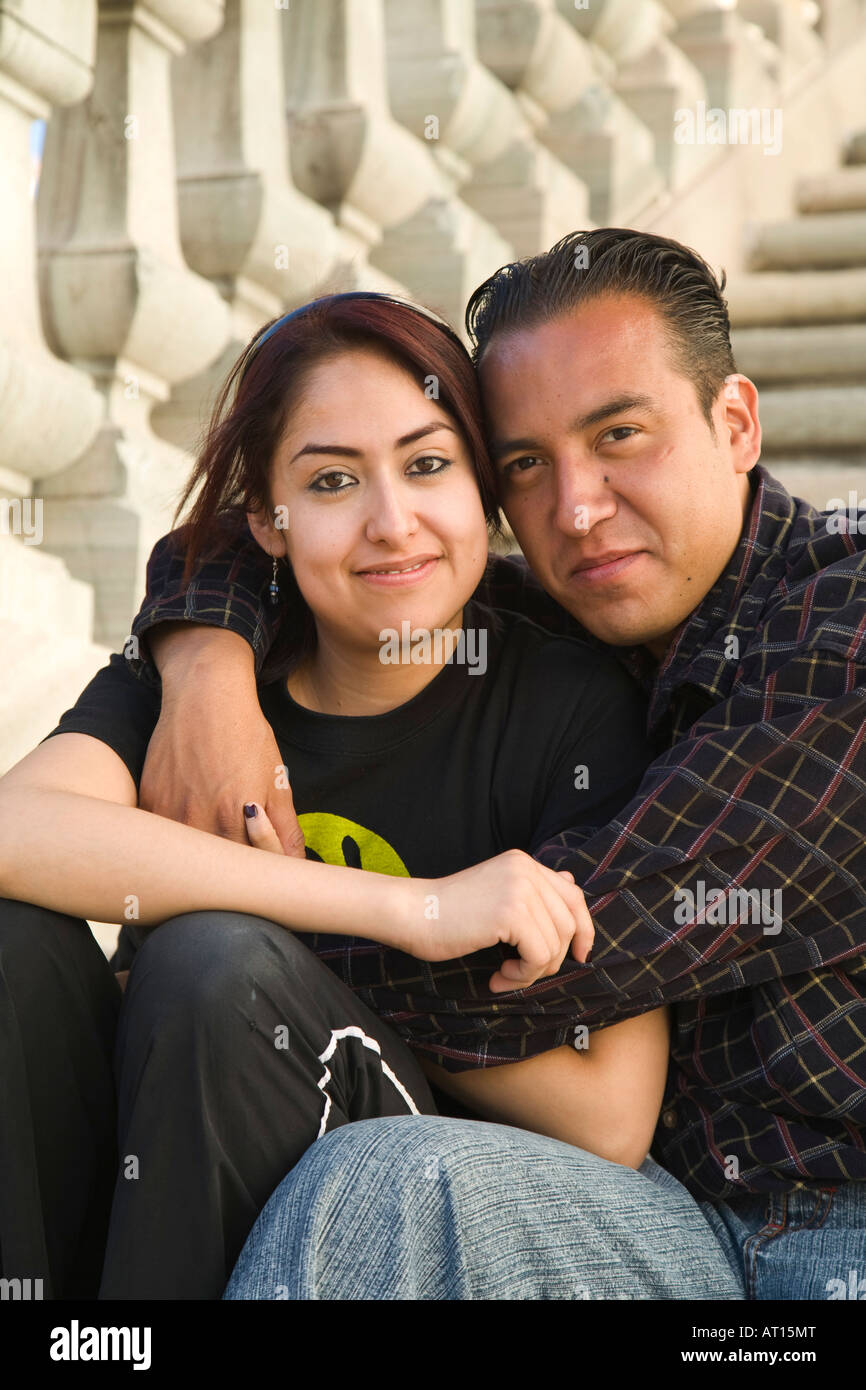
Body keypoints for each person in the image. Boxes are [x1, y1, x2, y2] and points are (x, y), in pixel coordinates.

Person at [126, 229, 866, 1301]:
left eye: (620, 435)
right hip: (664, 1219)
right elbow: (275, 536)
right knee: (381, 1186)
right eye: (524, 463)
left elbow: (551, 965)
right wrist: (206, 663)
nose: (573, 507)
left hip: (839, 1228)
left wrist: (218, 926)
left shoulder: (837, 639)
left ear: (735, 421)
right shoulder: (577, 608)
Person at [0, 291, 673, 1300]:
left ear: (482, 484)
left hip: (373, 1189)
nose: (390, 521)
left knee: (214, 962)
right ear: (266, 521)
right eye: (330, 481)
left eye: (427, 464)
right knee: (17, 941)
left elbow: (610, 1112)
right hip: (169, 1142)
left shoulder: (567, 702)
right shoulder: (203, 686)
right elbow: (17, 830)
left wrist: (275, 949)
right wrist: (411, 908)